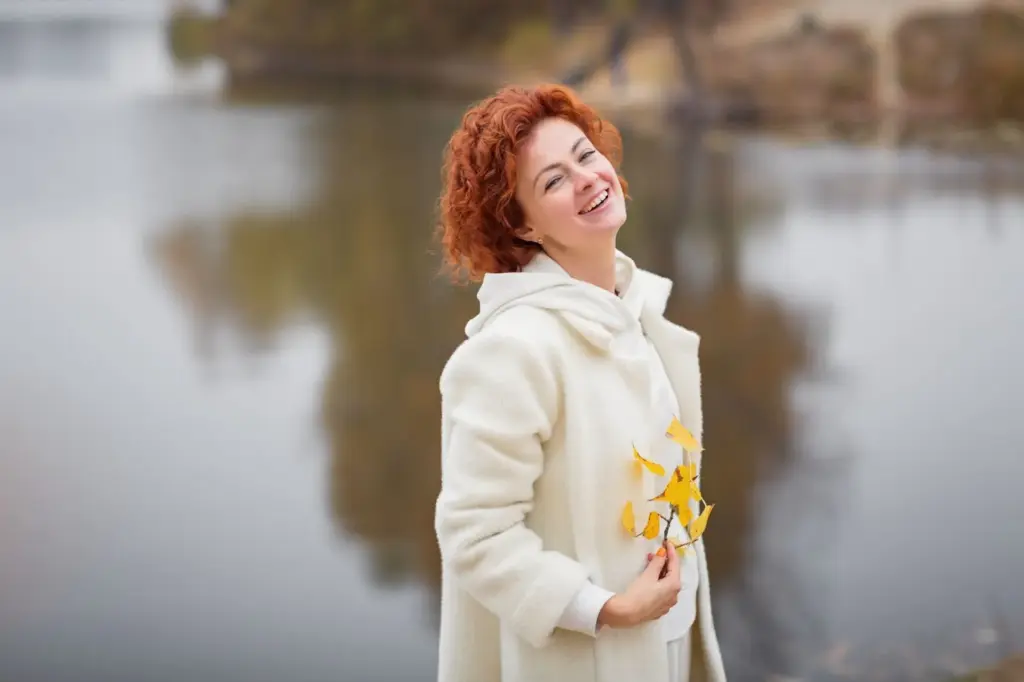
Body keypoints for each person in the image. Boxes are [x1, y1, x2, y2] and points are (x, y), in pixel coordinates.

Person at [433, 83, 726, 682]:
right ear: (524, 227)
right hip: (587, 658)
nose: (590, 178)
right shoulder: (512, 350)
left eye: (586, 155)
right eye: (553, 181)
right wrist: (608, 609)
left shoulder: (635, 312)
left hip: (665, 644)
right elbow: (474, 534)